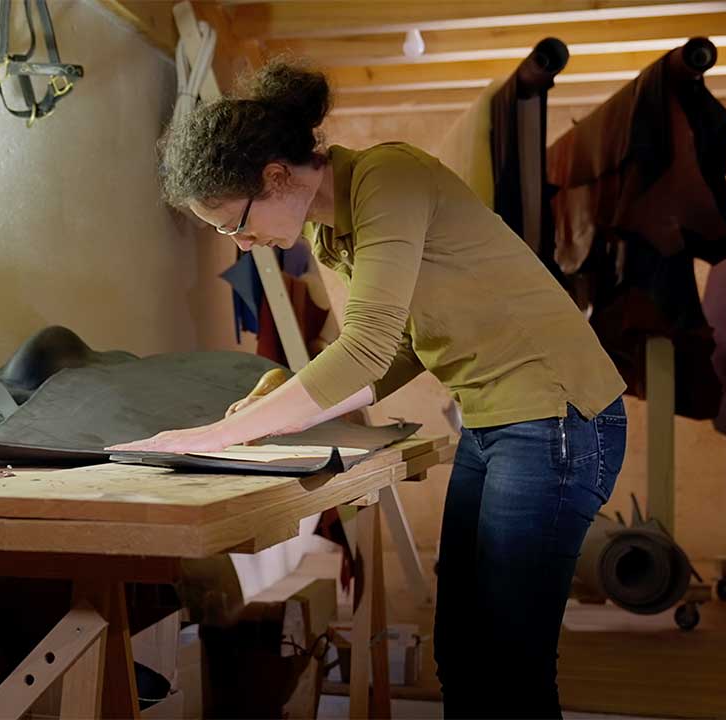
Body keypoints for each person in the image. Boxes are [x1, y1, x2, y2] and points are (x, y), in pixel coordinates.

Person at [108, 61, 627, 718]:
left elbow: (367, 347)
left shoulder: (390, 176)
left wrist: (223, 433)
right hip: (495, 420)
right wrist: (284, 392)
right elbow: (399, 351)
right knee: (461, 650)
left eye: (233, 224)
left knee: (510, 658)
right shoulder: (331, 233)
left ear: (276, 176)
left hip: (557, 414)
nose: (242, 243)